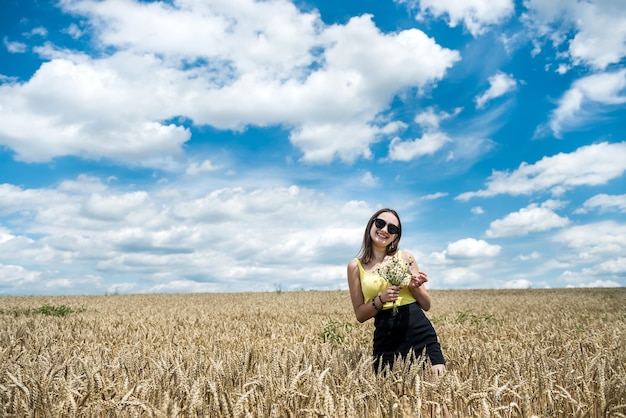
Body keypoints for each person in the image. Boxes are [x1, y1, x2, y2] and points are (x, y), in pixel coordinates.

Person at [347, 208, 446, 376]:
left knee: (437, 393)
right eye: (380, 223)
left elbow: (427, 305)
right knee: (389, 397)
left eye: (392, 229)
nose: (385, 230)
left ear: (396, 236)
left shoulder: (406, 257)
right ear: (371, 224)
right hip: (386, 339)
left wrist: (415, 288)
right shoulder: (355, 267)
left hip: (419, 333)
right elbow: (360, 315)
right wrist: (380, 299)